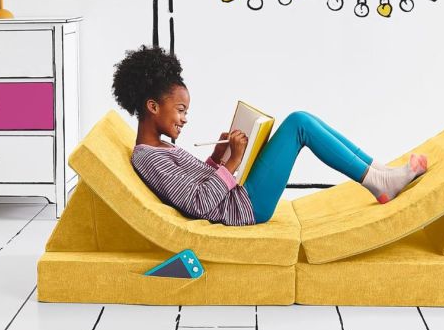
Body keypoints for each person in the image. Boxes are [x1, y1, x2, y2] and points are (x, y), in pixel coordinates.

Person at [112, 45, 427, 226]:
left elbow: (196, 186)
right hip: (246, 206)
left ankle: (379, 173)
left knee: (302, 121)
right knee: (299, 124)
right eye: (180, 110)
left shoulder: (158, 149)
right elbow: (197, 204)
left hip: (240, 196)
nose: (184, 118)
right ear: (153, 106)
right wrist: (234, 159)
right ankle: (378, 181)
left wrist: (217, 157)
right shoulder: (149, 157)